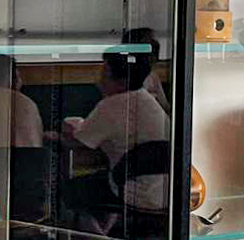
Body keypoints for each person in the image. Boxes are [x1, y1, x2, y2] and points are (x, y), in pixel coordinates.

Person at [58, 53, 170, 215]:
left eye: (104, 73)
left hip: (134, 190)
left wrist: (54, 134)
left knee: (66, 191)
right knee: (101, 179)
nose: (99, 80)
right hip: (166, 192)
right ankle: (105, 230)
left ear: (121, 81)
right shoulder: (147, 100)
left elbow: (77, 142)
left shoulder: (111, 105)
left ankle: (96, 233)